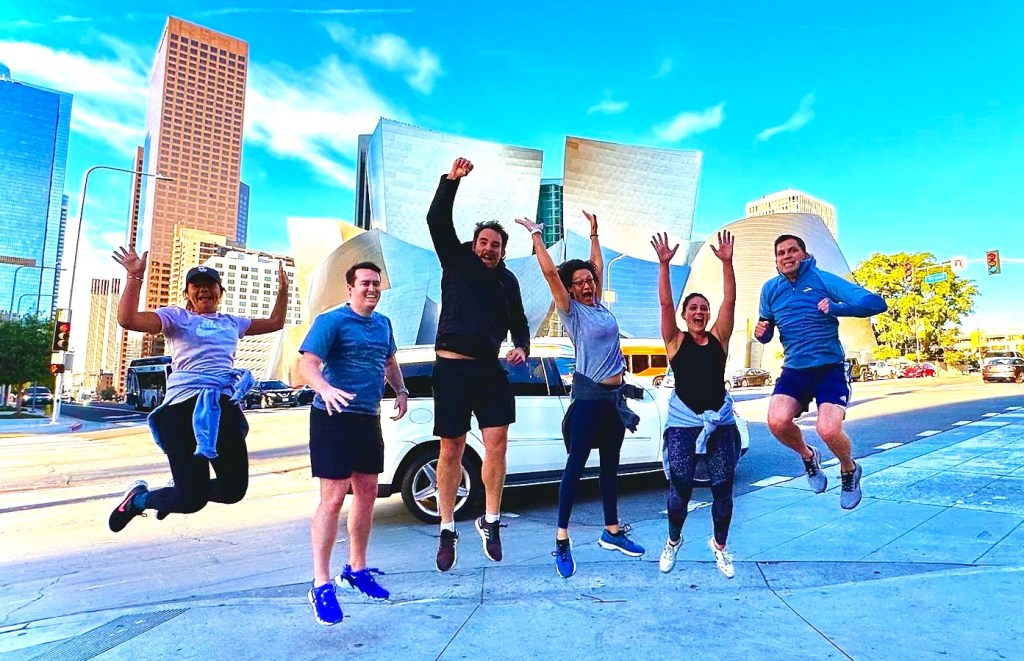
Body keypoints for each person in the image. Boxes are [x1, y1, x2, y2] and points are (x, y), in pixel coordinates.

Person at [107, 248, 288, 533]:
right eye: (197, 286)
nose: (204, 290)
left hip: (221, 406)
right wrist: (134, 277)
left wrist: (283, 289)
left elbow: (276, 323)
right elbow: (128, 320)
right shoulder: (175, 317)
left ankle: (179, 488)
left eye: (210, 285)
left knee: (233, 490)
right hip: (181, 409)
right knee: (192, 499)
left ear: (219, 291)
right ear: (188, 294)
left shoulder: (232, 322)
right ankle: (139, 500)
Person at [515, 212, 645, 579]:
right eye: (580, 282)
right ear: (570, 290)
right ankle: (561, 540)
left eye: (590, 280)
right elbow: (550, 275)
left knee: (609, 469)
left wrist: (594, 234)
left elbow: (598, 265)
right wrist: (537, 237)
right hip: (589, 402)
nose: (588, 284)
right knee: (574, 470)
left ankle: (612, 531)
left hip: (614, 402)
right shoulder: (572, 313)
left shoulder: (600, 306)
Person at [426, 156, 531, 572]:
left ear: (504, 251)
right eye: (484, 242)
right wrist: (451, 181)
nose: (490, 249)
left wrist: (522, 345)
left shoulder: (509, 282)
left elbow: (519, 323)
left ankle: (490, 521)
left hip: (489, 370)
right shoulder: (456, 261)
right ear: (474, 245)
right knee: (450, 448)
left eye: (497, 245)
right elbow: (437, 221)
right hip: (451, 369)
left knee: (497, 444)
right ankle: (448, 527)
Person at [298, 261, 409, 626]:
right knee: (332, 498)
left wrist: (401, 389)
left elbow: (388, 361)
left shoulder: (383, 324)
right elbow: (308, 364)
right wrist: (326, 388)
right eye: (365, 283)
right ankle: (320, 583)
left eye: (376, 283)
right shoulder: (331, 322)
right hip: (332, 417)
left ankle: (356, 569)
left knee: (368, 492)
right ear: (350, 288)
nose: (372, 289)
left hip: (366, 418)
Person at [755, 234, 887, 510]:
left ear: (804, 254)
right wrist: (763, 333)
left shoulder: (823, 279)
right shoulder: (770, 289)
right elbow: (765, 328)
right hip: (794, 370)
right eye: (781, 252)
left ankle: (849, 470)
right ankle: (808, 456)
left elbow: (876, 304)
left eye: (793, 250)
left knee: (827, 429)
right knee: (777, 422)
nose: (787, 256)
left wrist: (838, 308)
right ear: (776, 259)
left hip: (829, 369)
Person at [652, 231, 740, 578]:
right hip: (683, 422)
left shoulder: (719, 338)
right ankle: (673, 541)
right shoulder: (675, 341)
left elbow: (729, 303)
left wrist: (727, 263)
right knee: (681, 488)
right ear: (685, 315)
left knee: (722, 489)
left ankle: (719, 546)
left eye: (704, 308)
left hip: (720, 420)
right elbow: (664, 304)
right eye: (694, 309)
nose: (700, 312)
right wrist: (664, 265)